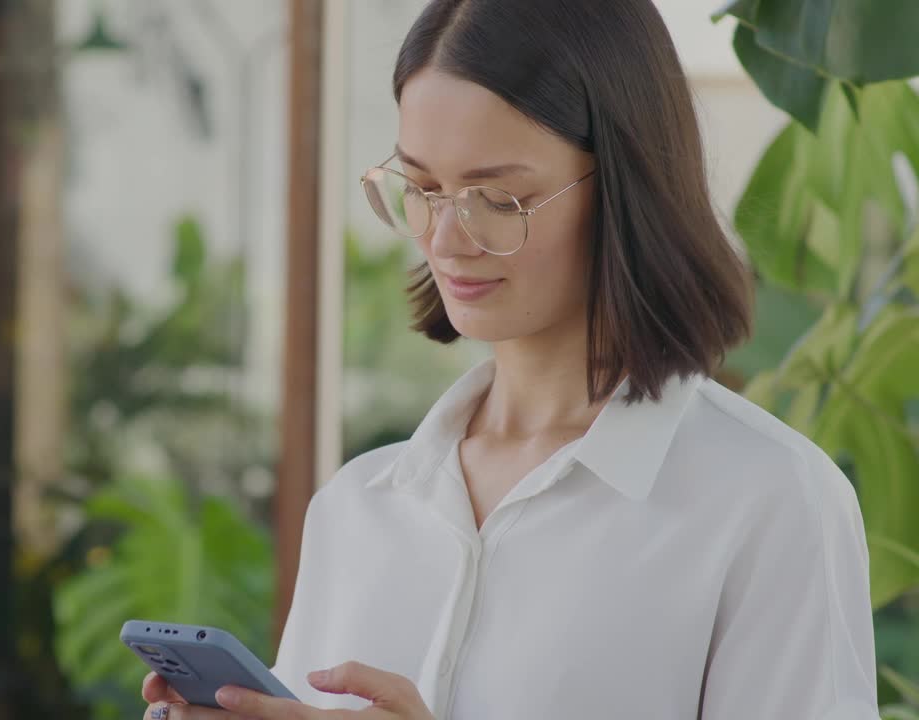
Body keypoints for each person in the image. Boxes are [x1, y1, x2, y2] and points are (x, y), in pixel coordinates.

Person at [141, 0, 879, 717]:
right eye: (422, 188)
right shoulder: (358, 507)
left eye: (496, 197)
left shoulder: (769, 502)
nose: (446, 238)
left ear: (625, 185)